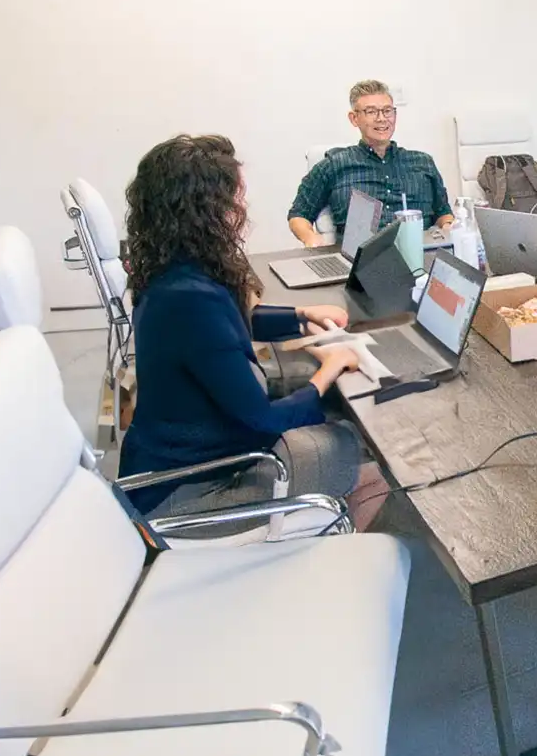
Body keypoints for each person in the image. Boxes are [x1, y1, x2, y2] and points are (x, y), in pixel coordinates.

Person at [122, 134, 391, 531]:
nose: (242, 207)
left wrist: (300, 315)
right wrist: (329, 368)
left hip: (175, 460)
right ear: (206, 211)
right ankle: (310, 556)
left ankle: (316, 524)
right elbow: (263, 420)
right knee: (364, 458)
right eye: (235, 198)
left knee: (346, 444)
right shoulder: (192, 300)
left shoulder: (173, 273)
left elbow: (225, 328)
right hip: (188, 490)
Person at [288, 80, 455, 247]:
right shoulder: (334, 165)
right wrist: (310, 238)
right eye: (371, 112)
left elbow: (443, 213)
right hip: (361, 262)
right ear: (354, 118)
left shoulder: (422, 162)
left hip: (420, 255)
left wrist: (449, 227)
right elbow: (298, 214)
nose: (381, 119)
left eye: (387, 111)